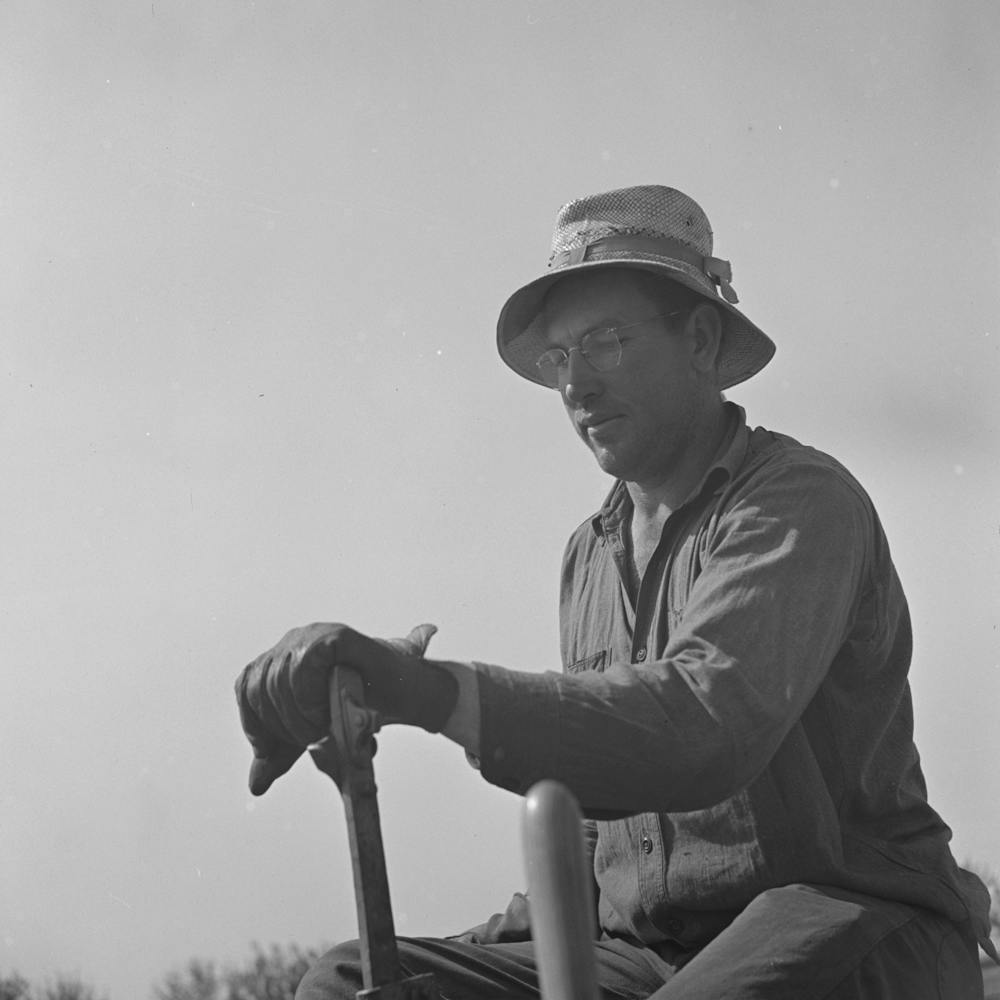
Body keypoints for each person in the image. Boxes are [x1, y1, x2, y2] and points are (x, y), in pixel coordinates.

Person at [235, 185, 994, 998]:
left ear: (701, 339)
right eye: (559, 358)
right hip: (650, 956)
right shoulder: (588, 556)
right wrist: (461, 949)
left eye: (605, 342)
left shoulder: (798, 503)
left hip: (847, 915)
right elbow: (603, 832)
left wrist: (426, 690)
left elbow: (701, 727)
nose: (575, 385)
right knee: (351, 980)